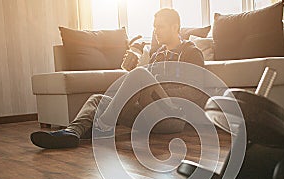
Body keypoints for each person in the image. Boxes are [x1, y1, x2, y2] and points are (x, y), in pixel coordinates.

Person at [30, 8, 204, 149]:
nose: (155, 31)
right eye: (154, 27)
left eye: (160, 27)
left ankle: (104, 126)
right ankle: (71, 133)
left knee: (141, 74)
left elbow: (196, 93)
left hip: (172, 118)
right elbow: (146, 88)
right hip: (147, 114)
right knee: (98, 99)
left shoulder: (191, 52)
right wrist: (137, 79)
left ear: (175, 27)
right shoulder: (157, 55)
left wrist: (155, 87)